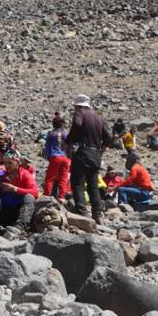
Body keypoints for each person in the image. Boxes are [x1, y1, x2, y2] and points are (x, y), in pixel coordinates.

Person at [67, 94, 113, 223]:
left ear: (78, 105)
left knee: (77, 182)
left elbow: (77, 124)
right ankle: (97, 214)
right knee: (93, 184)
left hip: (82, 152)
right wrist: (102, 149)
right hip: (96, 154)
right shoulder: (99, 117)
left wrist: (70, 140)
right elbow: (109, 138)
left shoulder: (80, 113)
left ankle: (82, 211)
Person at [0, 151, 38, 234]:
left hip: (18, 212)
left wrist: (15, 189)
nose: (6, 165)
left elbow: (35, 192)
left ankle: (20, 226)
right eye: (5, 162)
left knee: (29, 197)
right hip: (4, 210)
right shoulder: (3, 173)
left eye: (10, 163)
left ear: (18, 162)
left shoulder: (25, 174)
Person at [43, 113, 71, 199]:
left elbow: (47, 147)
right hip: (65, 158)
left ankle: (46, 195)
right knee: (63, 178)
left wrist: (48, 157)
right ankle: (61, 197)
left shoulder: (51, 134)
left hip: (55, 157)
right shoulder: (65, 133)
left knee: (50, 178)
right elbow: (69, 146)